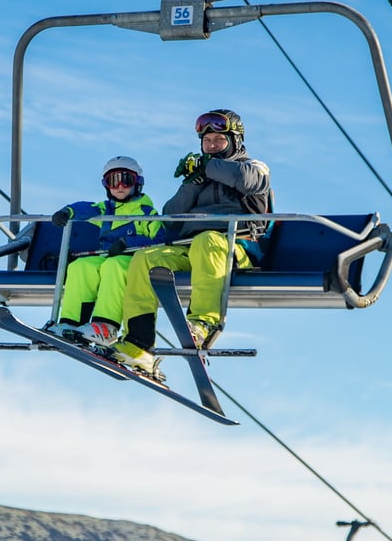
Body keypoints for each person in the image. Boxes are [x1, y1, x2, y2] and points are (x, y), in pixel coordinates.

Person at [108, 109, 271, 377]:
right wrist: (193, 183)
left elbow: (245, 180)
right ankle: (138, 344)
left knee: (208, 240)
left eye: (218, 140)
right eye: (207, 142)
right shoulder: (200, 176)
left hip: (235, 247)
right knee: (145, 258)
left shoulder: (254, 167)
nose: (212, 147)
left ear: (235, 140)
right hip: (192, 248)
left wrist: (207, 167)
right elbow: (171, 218)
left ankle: (203, 323)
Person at [42, 156, 165, 346]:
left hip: (132, 261)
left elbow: (160, 241)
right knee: (81, 266)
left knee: (114, 266)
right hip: (107, 257)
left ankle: (106, 326)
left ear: (137, 182)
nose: (120, 186)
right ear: (106, 185)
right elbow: (84, 208)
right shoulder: (106, 210)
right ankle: (71, 323)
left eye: (126, 179)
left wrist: (127, 243)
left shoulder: (147, 213)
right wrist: (67, 212)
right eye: (113, 181)